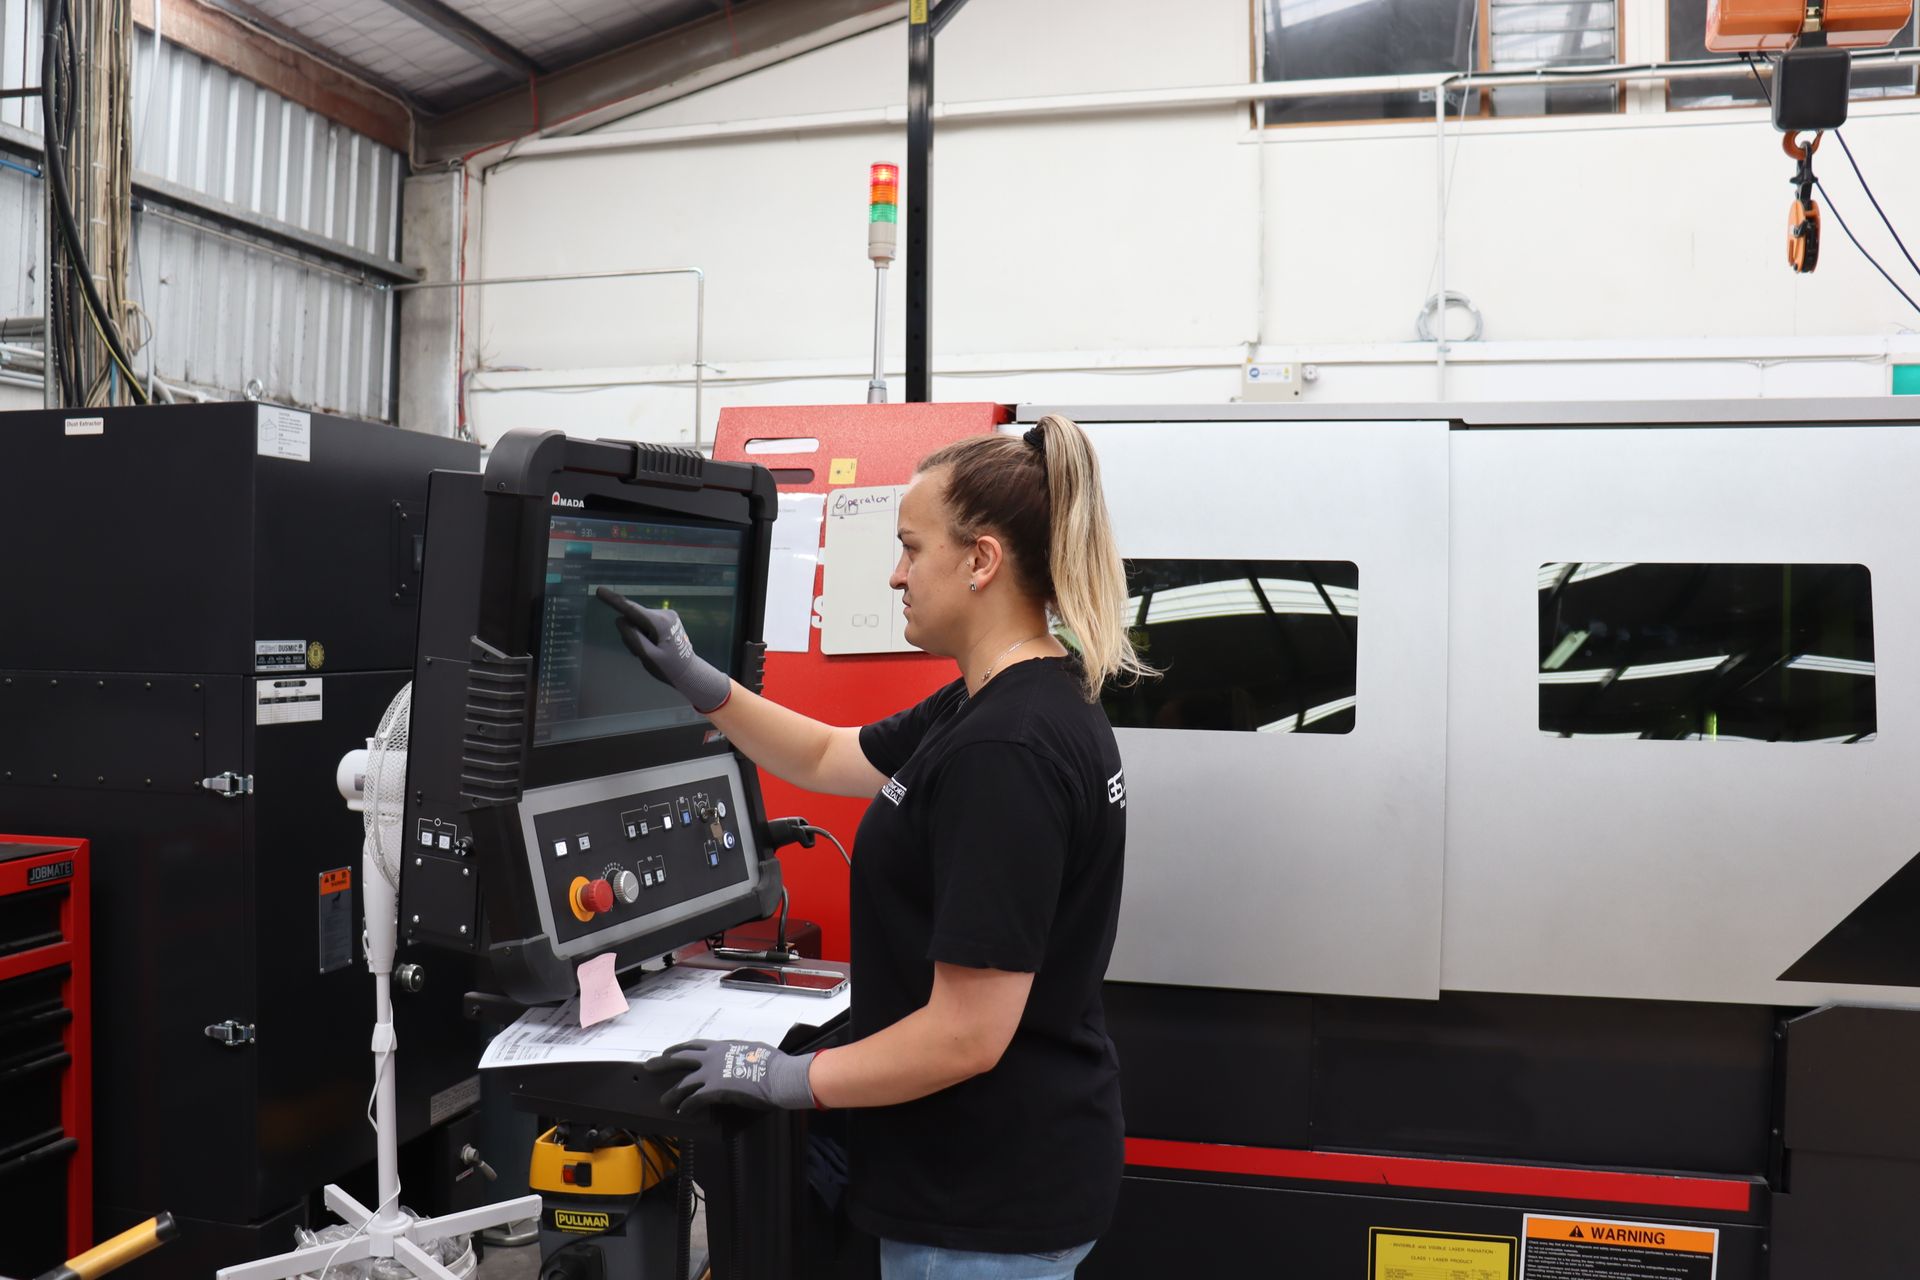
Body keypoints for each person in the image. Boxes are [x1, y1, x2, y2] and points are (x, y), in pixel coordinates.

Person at [599, 413, 1149, 1279]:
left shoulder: (1004, 750)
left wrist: (783, 1076)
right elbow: (826, 754)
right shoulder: (1000, 699)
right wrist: (701, 683)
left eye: (910, 548)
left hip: (981, 1196)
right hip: (994, 1164)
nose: (895, 575)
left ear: (981, 561)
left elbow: (965, 1037)